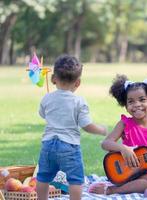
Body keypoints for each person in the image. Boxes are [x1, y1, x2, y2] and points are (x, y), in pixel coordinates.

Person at [36, 55, 108, 200]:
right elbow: (86, 125)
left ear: (53, 79)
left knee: (43, 176)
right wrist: (102, 130)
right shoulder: (78, 101)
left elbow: (42, 114)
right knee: (75, 179)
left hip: (48, 145)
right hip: (69, 146)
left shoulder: (47, 98)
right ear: (78, 83)